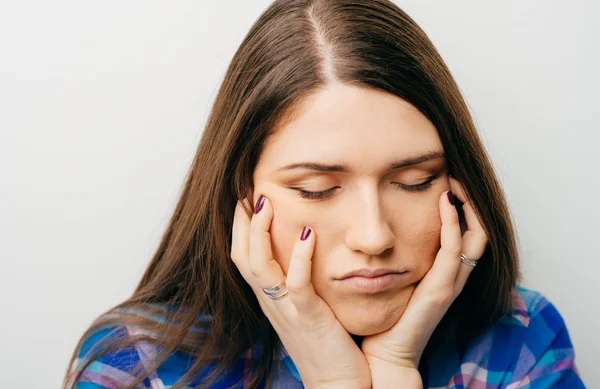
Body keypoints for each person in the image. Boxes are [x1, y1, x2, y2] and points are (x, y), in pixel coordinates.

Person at [63, 0, 586, 388]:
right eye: (316, 190)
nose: (374, 235)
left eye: (415, 181)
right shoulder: (139, 364)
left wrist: (394, 368)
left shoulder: (521, 338)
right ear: (240, 197)